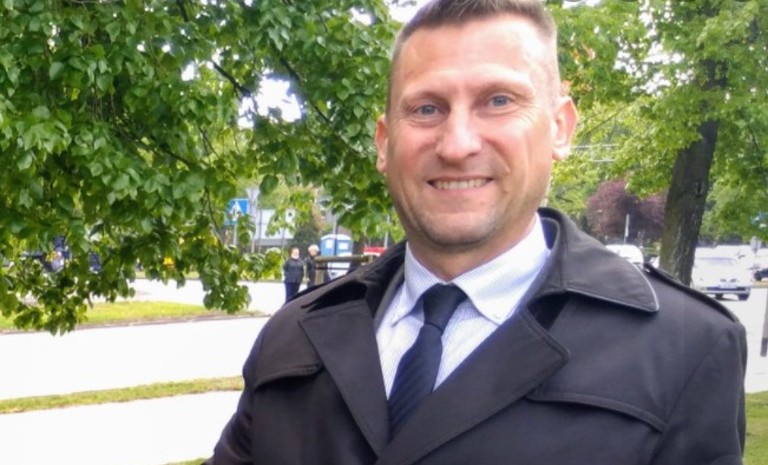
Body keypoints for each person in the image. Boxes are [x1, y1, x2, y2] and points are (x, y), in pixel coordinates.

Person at [205, 1, 747, 464]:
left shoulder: (684, 349)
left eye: (498, 101)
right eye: (427, 108)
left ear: (560, 127)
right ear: (384, 143)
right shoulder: (295, 334)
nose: (457, 144)